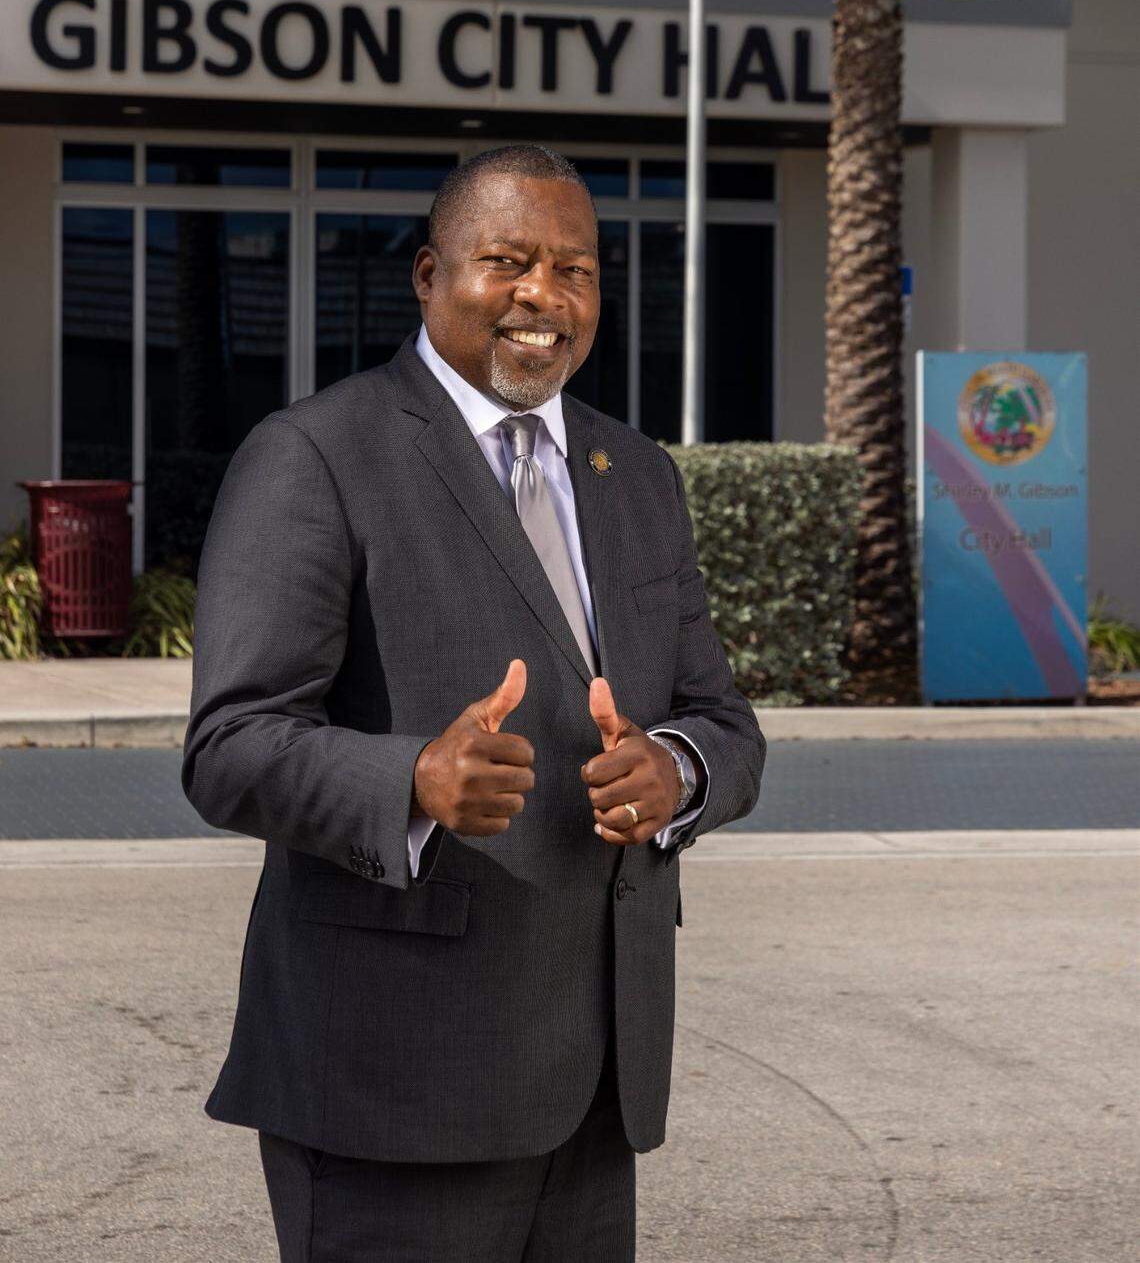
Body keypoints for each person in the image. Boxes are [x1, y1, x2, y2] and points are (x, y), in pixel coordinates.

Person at [183, 143, 766, 1262]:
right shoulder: (315, 454)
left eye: (577, 269)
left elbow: (723, 720)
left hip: (598, 1079)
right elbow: (229, 746)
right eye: (506, 260)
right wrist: (410, 779)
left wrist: (677, 772)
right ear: (428, 275)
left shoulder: (636, 474)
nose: (544, 296)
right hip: (393, 1084)